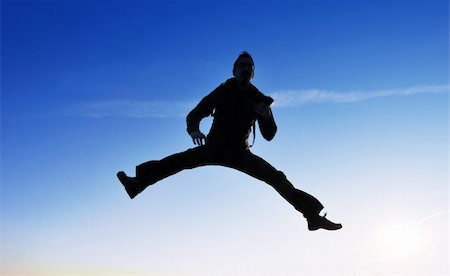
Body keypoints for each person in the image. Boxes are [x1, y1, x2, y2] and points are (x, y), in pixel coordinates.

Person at [117, 51, 342, 231]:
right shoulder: (223, 91)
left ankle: (312, 216)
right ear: (234, 71)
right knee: (178, 161)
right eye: (241, 66)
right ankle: (137, 183)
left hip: (240, 153)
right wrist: (194, 130)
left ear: (252, 74)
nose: (245, 69)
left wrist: (267, 117)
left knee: (277, 178)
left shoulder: (260, 99)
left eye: (249, 67)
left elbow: (269, 135)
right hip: (214, 147)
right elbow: (194, 114)